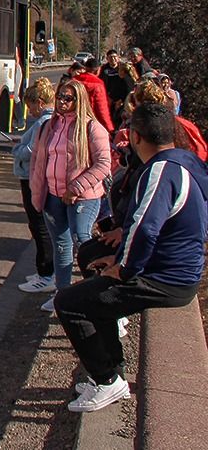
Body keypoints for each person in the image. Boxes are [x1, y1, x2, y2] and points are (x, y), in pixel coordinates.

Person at [55, 102, 207, 413]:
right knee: (96, 289)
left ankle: (108, 380)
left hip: (165, 278)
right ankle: (112, 374)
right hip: (180, 270)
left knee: (69, 304)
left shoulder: (161, 171)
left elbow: (145, 227)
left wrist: (124, 270)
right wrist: (116, 262)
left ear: (136, 137)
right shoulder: (187, 162)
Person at [29, 80, 112, 312]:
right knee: (61, 247)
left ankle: (99, 294)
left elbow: (104, 164)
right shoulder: (49, 126)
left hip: (82, 198)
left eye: (68, 98)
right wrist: (38, 192)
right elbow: (38, 159)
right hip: (52, 197)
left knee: (82, 240)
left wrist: (75, 188)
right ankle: (62, 295)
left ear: (79, 100)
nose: (62, 102)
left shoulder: (92, 128)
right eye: (59, 97)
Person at [13, 79, 56, 293]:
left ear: (39, 103)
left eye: (30, 106)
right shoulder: (52, 120)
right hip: (39, 176)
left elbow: (30, 151)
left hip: (32, 178)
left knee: (39, 226)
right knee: (41, 226)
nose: (29, 111)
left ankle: (46, 273)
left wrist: (17, 151)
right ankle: (45, 271)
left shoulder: (42, 123)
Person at [72, 56, 115, 134]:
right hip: (90, 123)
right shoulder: (98, 84)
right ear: (98, 70)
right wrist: (109, 129)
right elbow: (102, 110)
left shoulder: (74, 80)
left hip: (73, 121)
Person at [99, 50, 130, 118]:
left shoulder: (123, 68)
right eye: (110, 57)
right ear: (107, 59)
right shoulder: (103, 69)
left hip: (121, 99)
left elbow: (128, 86)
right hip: (108, 98)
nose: (113, 59)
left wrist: (122, 100)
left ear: (118, 58)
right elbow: (100, 83)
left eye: (114, 57)